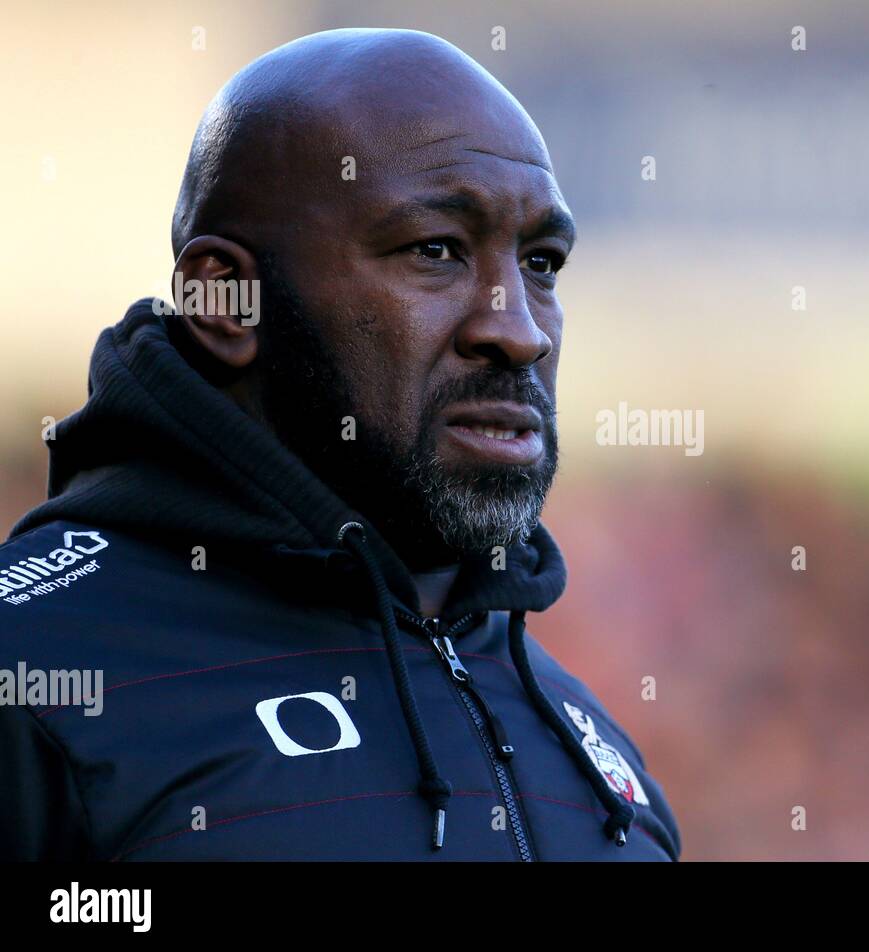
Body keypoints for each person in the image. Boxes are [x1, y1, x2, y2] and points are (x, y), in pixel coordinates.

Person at [0, 28, 681, 861]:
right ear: (229, 301)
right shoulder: (35, 677)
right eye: (436, 250)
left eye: (541, 262)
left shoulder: (590, 750)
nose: (520, 330)